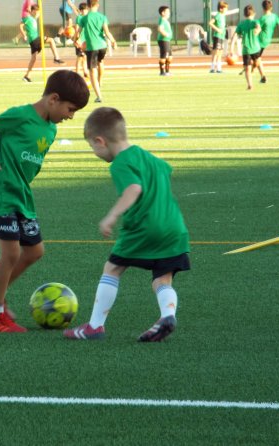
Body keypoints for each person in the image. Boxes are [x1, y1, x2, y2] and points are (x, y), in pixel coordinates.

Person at [0, 70, 90, 333]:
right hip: (0, 192)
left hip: (21, 196)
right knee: (11, 252)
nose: (70, 116)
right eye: (70, 109)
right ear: (54, 99)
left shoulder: (49, 129)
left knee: (35, 251)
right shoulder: (20, 115)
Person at [64, 107, 190, 342]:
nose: (94, 152)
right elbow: (166, 170)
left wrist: (112, 215)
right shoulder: (149, 158)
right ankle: (167, 315)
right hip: (174, 227)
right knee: (162, 278)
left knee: (112, 269)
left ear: (100, 141)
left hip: (143, 227)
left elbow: (134, 188)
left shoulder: (120, 163)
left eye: (93, 146)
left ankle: (95, 326)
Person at [76, 0, 116, 103]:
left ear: (88, 6)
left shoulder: (84, 18)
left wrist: (77, 40)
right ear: (97, 5)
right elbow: (107, 32)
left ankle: (99, 96)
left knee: (92, 71)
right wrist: (113, 41)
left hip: (92, 47)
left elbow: (78, 33)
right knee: (100, 62)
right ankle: (100, 81)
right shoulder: (102, 17)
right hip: (103, 46)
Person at [20, 4, 65, 82]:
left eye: (39, 12)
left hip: (33, 41)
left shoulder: (33, 19)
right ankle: (56, 58)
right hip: (35, 39)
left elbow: (34, 18)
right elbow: (21, 26)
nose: (38, 14)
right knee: (51, 40)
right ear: (33, 11)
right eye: (37, 12)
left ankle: (27, 76)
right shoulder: (28, 18)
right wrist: (24, 35)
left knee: (33, 59)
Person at [229, 4, 262, 90]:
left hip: (255, 49)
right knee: (248, 67)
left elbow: (258, 27)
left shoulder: (254, 22)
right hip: (247, 50)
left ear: (244, 14)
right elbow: (235, 35)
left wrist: (231, 48)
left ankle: (253, 70)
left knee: (254, 65)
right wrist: (257, 31)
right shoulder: (242, 24)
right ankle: (250, 85)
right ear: (254, 13)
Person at [254, 0, 279, 83]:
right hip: (267, 40)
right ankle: (259, 74)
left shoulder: (262, 19)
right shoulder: (275, 17)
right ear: (271, 8)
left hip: (260, 40)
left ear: (263, 8)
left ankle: (262, 76)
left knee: (257, 58)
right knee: (256, 58)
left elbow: (257, 29)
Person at [209, 1, 228, 73]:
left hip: (222, 37)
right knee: (216, 52)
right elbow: (210, 23)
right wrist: (218, 30)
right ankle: (212, 67)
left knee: (220, 52)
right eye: (225, 8)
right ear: (221, 9)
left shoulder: (223, 16)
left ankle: (219, 68)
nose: (226, 10)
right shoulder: (218, 15)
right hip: (217, 36)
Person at [73, 2, 90, 81]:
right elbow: (77, 29)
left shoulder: (88, 18)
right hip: (79, 40)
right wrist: (76, 39)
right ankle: (77, 73)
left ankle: (85, 71)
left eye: (85, 10)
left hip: (85, 41)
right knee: (80, 57)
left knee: (85, 57)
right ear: (80, 10)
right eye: (82, 10)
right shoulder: (79, 18)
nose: (83, 11)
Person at [157, 5, 173, 76]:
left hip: (167, 40)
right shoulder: (162, 19)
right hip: (163, 40)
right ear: (163, 13)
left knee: (170, 57)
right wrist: (165, 34)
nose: (169, 13)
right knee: (163, 55)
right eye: (168, 12)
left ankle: (167, 71)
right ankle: (162, 72)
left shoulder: (165, 20)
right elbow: (160, 29)